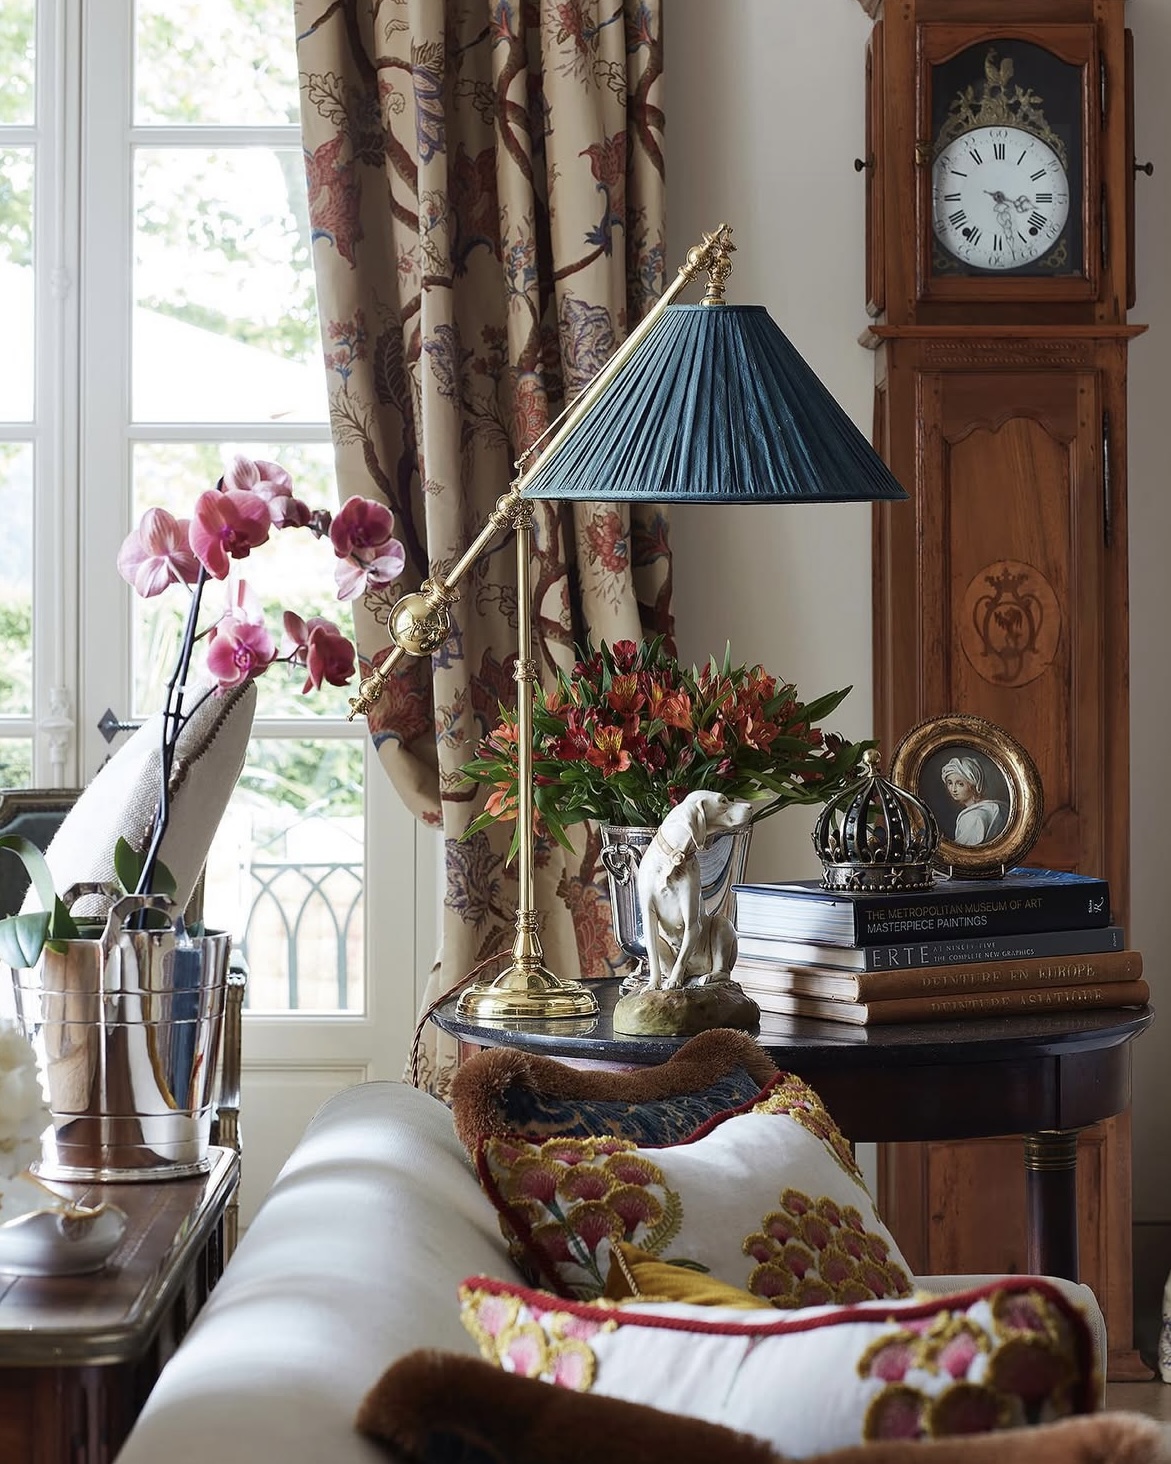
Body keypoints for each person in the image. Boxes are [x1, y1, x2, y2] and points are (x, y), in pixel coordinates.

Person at [940, 754, 1007, 846]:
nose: (953, 789)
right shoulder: (994, 807)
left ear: (973, 785)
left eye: (960, 784)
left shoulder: (973, 817)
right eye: (950, 783)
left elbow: (961, 853)